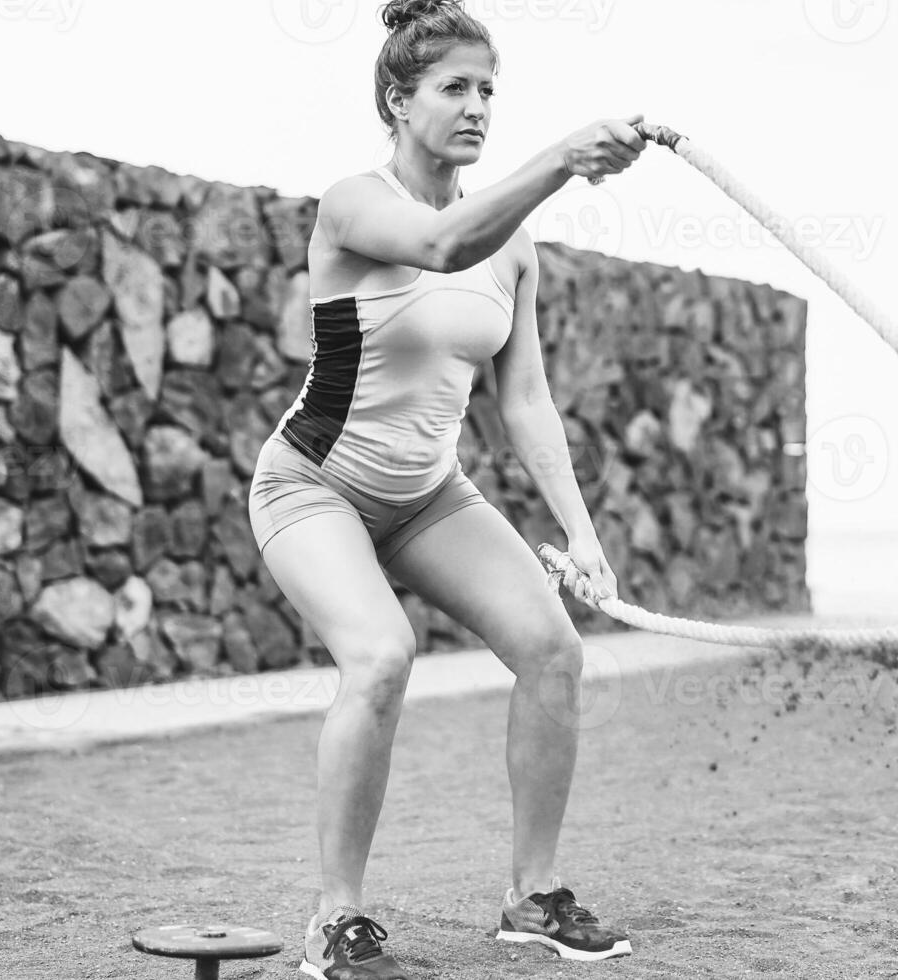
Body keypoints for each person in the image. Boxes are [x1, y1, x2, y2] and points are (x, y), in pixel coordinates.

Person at [245, 2, 648, 975]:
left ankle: (532, 895)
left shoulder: (517, 248)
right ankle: (337, 920)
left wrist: (582, 535)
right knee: (381, 654)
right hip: (314, 485)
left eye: (488, 91)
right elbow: (438, 246)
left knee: (552, 647)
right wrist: (560, 158)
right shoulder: (354, 205)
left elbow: (527, 400)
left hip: (429, 496)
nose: (477, 108)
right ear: (397, 99)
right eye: (454, 88)